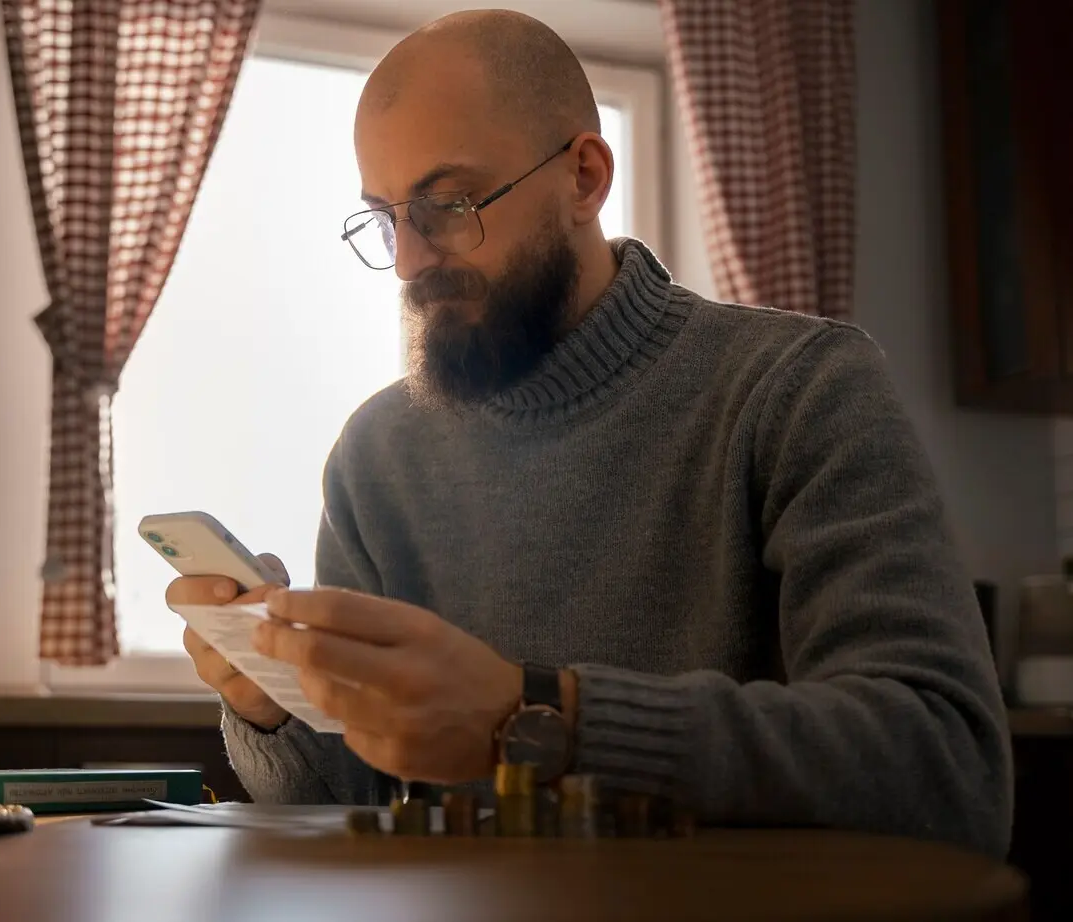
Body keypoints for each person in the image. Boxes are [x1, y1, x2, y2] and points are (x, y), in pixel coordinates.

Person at [167, 9, 1012, 857]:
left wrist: (537, 718)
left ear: (585, 176)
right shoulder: (376, 457)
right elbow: (351, 803)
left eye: (449, 205)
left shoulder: (798, 389)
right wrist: (271, 705)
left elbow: (948, 768)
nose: (411, 263)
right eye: (388, 219)